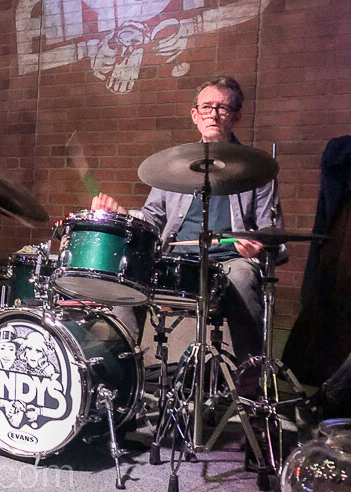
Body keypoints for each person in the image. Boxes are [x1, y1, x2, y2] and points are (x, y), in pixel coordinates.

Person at [89, 77, 281, 366]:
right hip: (176, 262)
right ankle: (120, 373)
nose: (213, 115)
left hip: (229, 264)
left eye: (222, 108)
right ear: (195, 115)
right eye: (206, 107)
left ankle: (249, 379)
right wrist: (121, 217)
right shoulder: (175, 166)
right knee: (127, 277)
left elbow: (273, 233)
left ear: (237, 116)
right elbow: (152, 221)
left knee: (243, 276)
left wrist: (259, 245)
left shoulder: (257, 170)